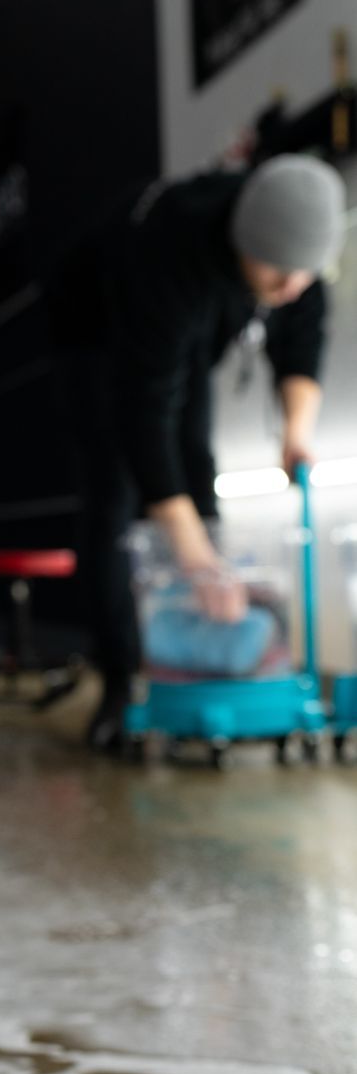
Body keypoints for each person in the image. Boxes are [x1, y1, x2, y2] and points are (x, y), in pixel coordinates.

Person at [65, 154, 347, 751]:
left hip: (184, 329)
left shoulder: (287, 249)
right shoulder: (170, 261)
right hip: (95, 323)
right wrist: (197, 562)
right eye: (279, 275)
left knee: (198, 454)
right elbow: (145, 417)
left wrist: (295, 432)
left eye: (305, 273)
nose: (291, 288)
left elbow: (304, 336)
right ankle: (120, 682)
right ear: (247, 245)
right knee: (116, 489)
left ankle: (205, 661)